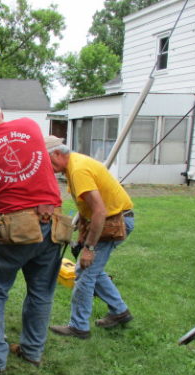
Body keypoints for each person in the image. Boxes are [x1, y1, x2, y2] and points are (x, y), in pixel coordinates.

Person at [0, 95, 63, 375]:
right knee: (41, 292)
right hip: (51, 219)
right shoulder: (30, 126)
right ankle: (32, 352)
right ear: (0, 112)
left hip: (13, 226)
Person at [45, 137, 135, 339]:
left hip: (114, 223)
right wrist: (83, 233)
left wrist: (89, 249)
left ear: (58, 154)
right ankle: (119, 311)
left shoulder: (78, 171)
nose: (46, 167)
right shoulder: (74, 165)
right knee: (94, 270)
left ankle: (79, 327)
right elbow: (90, 209)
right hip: (110, 219)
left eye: (47, 161)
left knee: (84, 271)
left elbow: (100, 211)